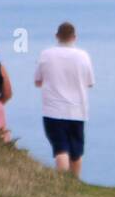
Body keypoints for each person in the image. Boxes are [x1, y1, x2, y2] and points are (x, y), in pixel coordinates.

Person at [33, 22, 95, 175]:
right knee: (76, 152)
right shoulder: (83, 56)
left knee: (60, 149)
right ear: (74, 37)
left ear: (57, 36)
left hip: (53, 110)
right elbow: (90, 82)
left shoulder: (46, 54)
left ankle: (63, 183)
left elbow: (37, 81)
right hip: (77, 110)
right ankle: (75, 182)